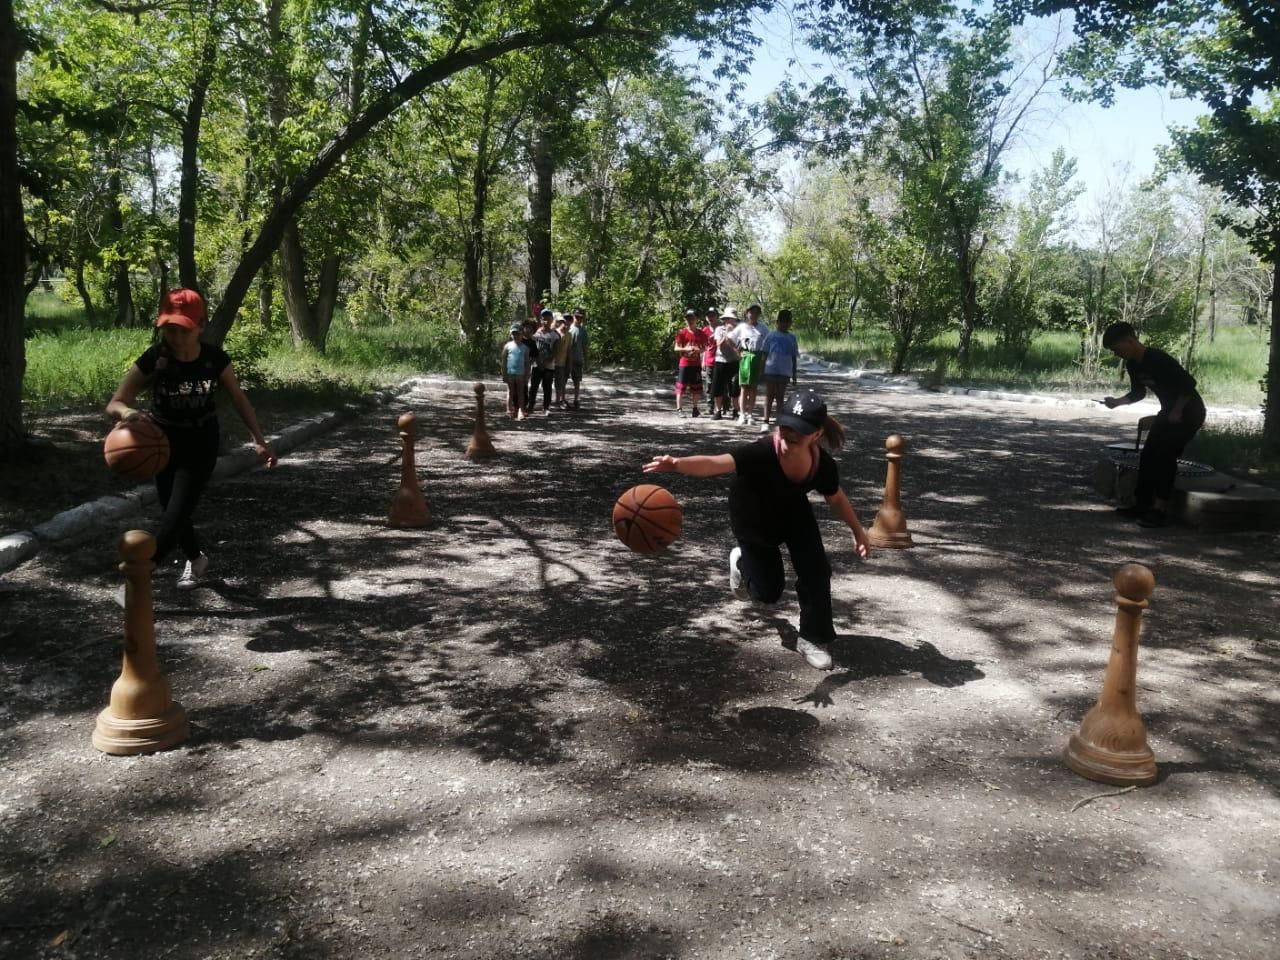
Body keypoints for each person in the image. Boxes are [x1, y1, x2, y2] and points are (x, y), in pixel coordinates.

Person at [642, 389, 871, 670]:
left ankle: (812, 637)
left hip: (792, 510)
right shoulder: (762, 452)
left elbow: (836, 498)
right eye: (785, 426)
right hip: (753, 514)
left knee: (817, 570)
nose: (789, 434)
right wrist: (678, 464)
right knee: (767, 593)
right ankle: (741, 560)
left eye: (799, 430)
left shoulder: (821, 464)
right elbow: (716, 463)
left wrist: (858, 531)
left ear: (816, 434)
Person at [106, 288, 277, 592]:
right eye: (169, 328)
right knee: (172, 510)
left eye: (183, 329)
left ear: (201, 325)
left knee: (176, 512)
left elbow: (239, 400)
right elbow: (115, 403)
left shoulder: (215, 360)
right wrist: (130, 414)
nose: (176, 337)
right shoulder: (154, 359)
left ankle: (137, 579)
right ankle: (196, 558)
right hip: (161, 442)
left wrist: (259, 440)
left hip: (201, 441)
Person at [1101, 321, 1207, 528]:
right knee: (1148, 455)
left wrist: (1177, 411)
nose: (1116, 354)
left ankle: (1160, 509)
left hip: (1189, 412)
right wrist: (1117, 402)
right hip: (1168, 412)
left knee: (1165, 456)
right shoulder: (1133, 365)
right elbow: (1138, 393)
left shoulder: (1158, 359)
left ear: (1129, 341)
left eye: (1117, 349)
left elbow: (1188, 384)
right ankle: (1142, 505)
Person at [731, 303, 770, 426]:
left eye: (757, 312)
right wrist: (738, 352)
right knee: (744, 387)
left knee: (753, 388)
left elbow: (769, 342)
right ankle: (742, 414)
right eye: (752, 312)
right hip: (745, 356)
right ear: (747, 313)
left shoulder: (763, 328)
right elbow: (729, 339)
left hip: (757, 357)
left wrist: (764, 359)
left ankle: (750, 414)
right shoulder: (742, 327)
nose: (754, 315)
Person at [760, 309, 799, 430]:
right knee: (769, 395)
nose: (784, 324)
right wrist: (761, 370)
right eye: (782, 322)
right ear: (777, 322)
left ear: (790, 323)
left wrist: (794, 374)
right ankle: (765, 421)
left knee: (780, 397)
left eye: (787, 322)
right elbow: (764, 354)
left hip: (784, 372)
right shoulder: (771, 335)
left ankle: (779, 421)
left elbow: (794, 357)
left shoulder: (792, 338)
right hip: (771, 369)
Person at [673, 308, 708, 417]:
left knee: (696, 388)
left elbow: (705, 348)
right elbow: (676, 348)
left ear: (696, 319)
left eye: (692, 318)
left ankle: (695, 409)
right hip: (684, 364)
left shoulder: (701, 333)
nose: (690, 320)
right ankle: (679, 409)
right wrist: (686, 349)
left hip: (696, 364)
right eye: (688, 318)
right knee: (680, 387)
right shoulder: (682, 332)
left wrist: (698, 350)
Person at [711, 308, 740, 420]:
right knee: (718, 386)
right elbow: (718, 344)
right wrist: (726, 334)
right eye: (726, 318)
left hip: (734, 361)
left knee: (734, 387)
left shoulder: (739, 330)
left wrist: (732, 333)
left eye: (731, 318)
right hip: (721, 361)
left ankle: (735, 411)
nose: (728, 321)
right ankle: (718, 411)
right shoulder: (719, 329)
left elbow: (739, 345)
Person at [530, 310, 560, 415]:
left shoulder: (555, 335)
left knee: (547, 387)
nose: (546, 321)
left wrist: (545, 362)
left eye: (548, 319)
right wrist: (538, 361)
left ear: (552, 320)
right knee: (534, 386)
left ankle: (546, 407)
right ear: (541, 320)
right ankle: (530, 405)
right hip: (536, 365)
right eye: (544, 319)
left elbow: (555, 352)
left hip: (549, 366)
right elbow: (532, 349)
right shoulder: (536, 333)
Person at [500, 324, 530, 420]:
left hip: (521, 374)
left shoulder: (525, 348)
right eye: (514, 334)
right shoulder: (507, 346)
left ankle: (521, 411)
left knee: (521, 393)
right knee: (510, 392)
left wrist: (527, 376)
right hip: (510, 374)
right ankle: (509, 410)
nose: (516, 336)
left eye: (518, 333)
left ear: (522, 334)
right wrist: (504, 373)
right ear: (511, 335)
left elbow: (527, 363)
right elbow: (504, 361)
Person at [568, 308, 589, 409]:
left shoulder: (583, 331)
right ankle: (561, 399)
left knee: (577, 381)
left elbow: (585, 347)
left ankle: (576, 400)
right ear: (573, 316)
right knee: (563, 380)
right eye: (576, 317)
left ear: (583, 318)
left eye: (580, 317)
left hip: (578, 359)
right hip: (566, 359)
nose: (578, 319)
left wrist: (586, 361)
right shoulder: (568, 328)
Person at [552, 313, 574, 408]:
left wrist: (570, 363)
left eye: (569, 324)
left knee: (563, 382)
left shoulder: (569, 335)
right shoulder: (555, 333)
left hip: (564, 362)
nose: (567, 326)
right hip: (554, 362)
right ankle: (556, 401)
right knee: (556, 382)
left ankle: (562, 400)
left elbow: (569, 350)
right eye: (565, 323)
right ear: (562, 322)